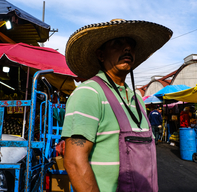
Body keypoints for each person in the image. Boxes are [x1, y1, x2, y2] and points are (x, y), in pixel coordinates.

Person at [61, 19, 172, 192]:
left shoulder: (137, 98)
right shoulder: (89, 93)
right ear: (100, 54)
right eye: (117, 43)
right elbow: (74, 162)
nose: (127, 48)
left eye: (131, 44)